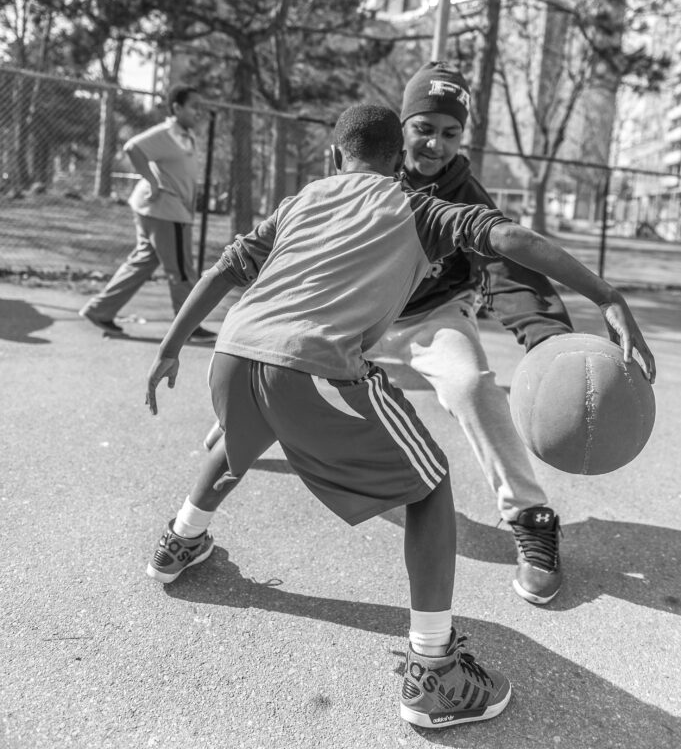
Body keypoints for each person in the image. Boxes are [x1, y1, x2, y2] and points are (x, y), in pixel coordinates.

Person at [143, 104, 654, 729]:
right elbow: (514, 241)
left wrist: (170, 345)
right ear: (397, 161)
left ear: (335, 157)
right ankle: (434, 672)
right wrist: (608, 296)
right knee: (431, 485)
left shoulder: (302, 200)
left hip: (233, 352)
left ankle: (180, 540)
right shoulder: (417, 208)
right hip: (313, 365)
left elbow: (226, 267)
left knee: (243, 438)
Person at [371, 60, 576, 605]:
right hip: (365, 316)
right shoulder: (366, 172)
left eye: (449, 132)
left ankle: (530, 515)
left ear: (462, 137)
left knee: (471, 385)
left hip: (434, 317)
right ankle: (235, 438)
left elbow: (505, 268)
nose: (435, 143)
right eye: (424, 127)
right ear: (402, 125)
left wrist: (548, 337)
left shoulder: (465, 193)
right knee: (287, 365)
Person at [79, 83, 215, 342]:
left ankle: (100, 310)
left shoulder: (185, 135)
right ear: (176, 108)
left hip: (167, 210)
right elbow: (133, 147)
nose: (199, 112)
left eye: (201, 107)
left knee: (142, 262)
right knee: (182, 271)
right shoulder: (167, 132)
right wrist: (153, 182)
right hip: (165, 210)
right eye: (193, 107)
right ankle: (188, 328)